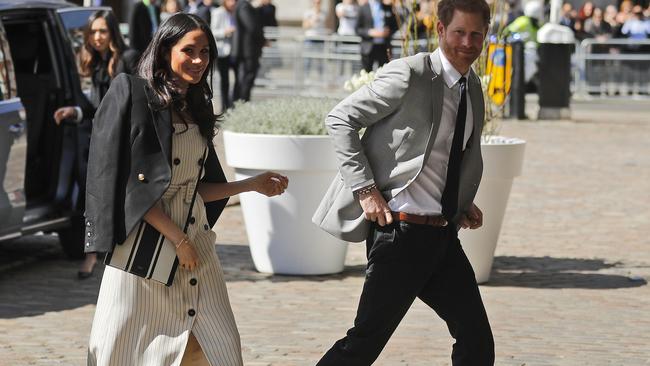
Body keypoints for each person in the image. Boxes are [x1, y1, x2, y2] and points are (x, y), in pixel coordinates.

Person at [85, 13, 288, 365]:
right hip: (146, 246)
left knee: (218, 344)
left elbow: (191, 189)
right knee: (129, 347)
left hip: (196, 244)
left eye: (206, 51)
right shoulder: (135, 96)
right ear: (165, 51)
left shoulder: (197, 106)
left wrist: (250, 184)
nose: (199, 60)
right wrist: (178, 241)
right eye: (189, 50)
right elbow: (128, 186)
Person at [312, 0, 495, 364]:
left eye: (476, 34)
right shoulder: (409, 74)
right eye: (459, 32)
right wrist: (365, 190)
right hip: (401, 235)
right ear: (441, 30)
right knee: (364, 343)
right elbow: (340, 119)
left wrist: (459, 199)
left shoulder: (471, 86)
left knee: (476, 340)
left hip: (442, 236)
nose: (468, 43)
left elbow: (441, 153)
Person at [52, 10, 135, 279]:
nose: (97, 37)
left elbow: (135, 105)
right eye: (93, 32)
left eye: (103, 31)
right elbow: (96, 109)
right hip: (103, 143)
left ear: (112, 33)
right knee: (96, 200)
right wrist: (74, 112)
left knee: (122, 201)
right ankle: (92, 255)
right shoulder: (97, 64)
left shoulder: (127, 59)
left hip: (124, 143)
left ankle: (119, 254)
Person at [232, 0, 265, 102]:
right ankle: (241, 103)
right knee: (245, 79)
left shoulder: (245, 6)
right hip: (247, 51)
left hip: (248, 50)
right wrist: (263, 39)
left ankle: (241, 102)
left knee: (245, 79)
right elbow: (252, 27)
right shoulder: (244, 6)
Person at [355, 0, 398, 72]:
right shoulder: (363, 8)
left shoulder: (388, 7)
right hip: (368, 47)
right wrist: (370, 32)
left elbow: (395, 25)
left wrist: (388, 31)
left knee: (384, 73)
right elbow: (357, 29)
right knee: (366, 74)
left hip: (384, 47)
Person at [211, 0, 238, 110]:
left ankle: (233, 103)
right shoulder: (218, 12)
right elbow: (213, 31)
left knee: (237, 79)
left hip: (234, 51)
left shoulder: (234, 12)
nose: (232, 3)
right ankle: (225, 106)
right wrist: (225, 32)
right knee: (225, 81)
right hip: (223, 51)